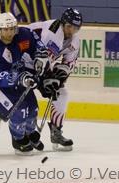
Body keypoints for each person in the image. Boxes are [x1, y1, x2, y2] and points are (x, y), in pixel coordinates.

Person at [0, 12, 49, 155]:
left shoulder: (22, 34)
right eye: (5, 29)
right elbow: (1, 78)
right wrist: (23, 78)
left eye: (11, 29)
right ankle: (18, 140)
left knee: (33, 108)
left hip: (15, 71)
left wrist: (40, 58)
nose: (9, 33)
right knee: (19, 110)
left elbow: (37, 45)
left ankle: (29, 132)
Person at [27, 8, 82, 151]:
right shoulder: (52, 33)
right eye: (69, 26)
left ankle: (56, 131)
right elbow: (42, 60)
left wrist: (59, 78)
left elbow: (69, 63)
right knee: (25, 93)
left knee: (61, 93)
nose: (71, 30)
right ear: (63, 23)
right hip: (23, 60)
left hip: (40, 63)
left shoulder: (75, 40)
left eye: (75, 28)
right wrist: (49, 79)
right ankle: (23, 131)